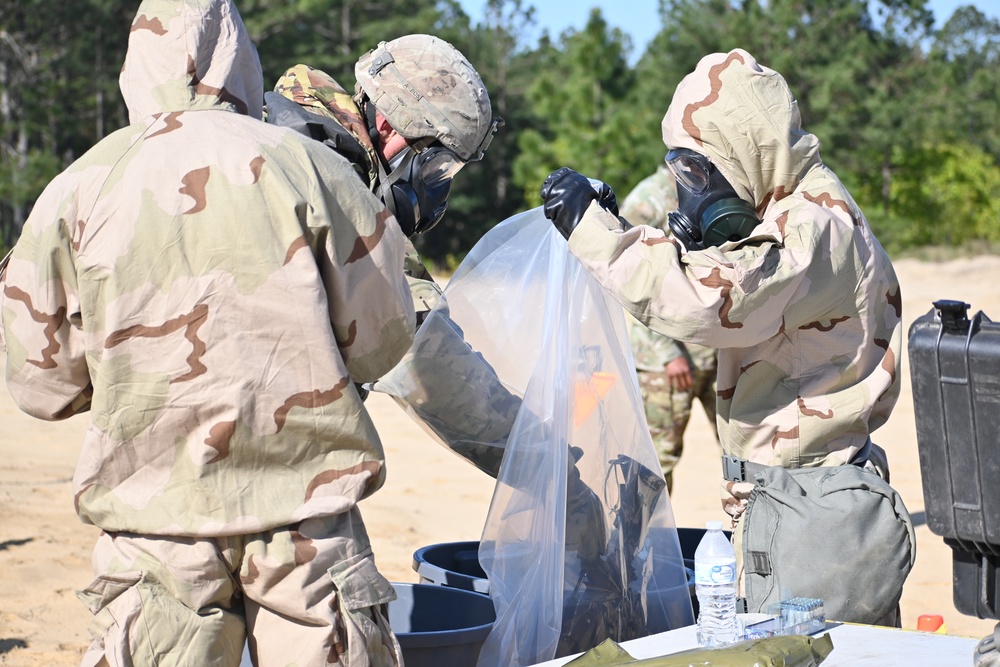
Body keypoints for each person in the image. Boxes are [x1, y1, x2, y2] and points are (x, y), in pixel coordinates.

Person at [0, 1, 419, 665]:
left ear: (138, 64)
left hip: (153, 524)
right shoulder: (310, 167)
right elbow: (384, 339)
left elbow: (38, 385)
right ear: (240, 64)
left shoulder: (78, 187)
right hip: (305, 525)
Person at [538, 49, 907, 622]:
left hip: (810, 514)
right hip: (785, 503)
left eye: (697, 172)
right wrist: (626, 229)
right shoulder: (782, 209)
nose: (688, 191)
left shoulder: (815, 225)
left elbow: (715, 298)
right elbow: (723, 268)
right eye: (679, 171)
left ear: (745, 151)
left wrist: (594, 234)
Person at [619, 166, 720, 493]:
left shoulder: (720, 186)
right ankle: (646, 542)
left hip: (718, 350)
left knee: (747, 453)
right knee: (657, 463)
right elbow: (625, 278)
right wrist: (666, 351)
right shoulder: (649, 200)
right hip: (667, 361)